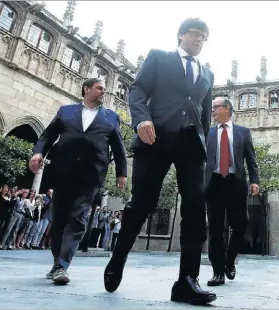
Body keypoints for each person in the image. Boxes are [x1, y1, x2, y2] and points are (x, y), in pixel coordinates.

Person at [103, 17, 217, 305]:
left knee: (194, 207)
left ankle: (187, 282)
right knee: (142, 203)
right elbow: (138, 90)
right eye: (194, 34)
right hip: (155, 138)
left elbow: (204, 114)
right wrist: (141, 120)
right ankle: (118, 259)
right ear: (181, 35)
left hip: (190, 145)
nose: (198, 40)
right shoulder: (159, 58)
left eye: (203, 37)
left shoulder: (207, 74)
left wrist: (205, 148)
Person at [29, 77, 127, 285]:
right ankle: (57, 262)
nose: (104, 92)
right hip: (63, 171)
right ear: (86, 89)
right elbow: (48, 135)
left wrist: (122, 172)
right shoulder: (66, 111)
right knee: (58, 219)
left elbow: (118, 147)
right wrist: (38, 153)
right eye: (100, 88)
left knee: (77, 217)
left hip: (91, 175)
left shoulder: (111, 117)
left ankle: (62, 265)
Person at [205, 98, 259, 286]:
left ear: (226, 109)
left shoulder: (243, 132)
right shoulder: (208, 133)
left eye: (215, 107)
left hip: (236, 185)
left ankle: (230, 260)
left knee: (241, 225)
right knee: (215, 230)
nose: (212, 110)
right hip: (214, 185)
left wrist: (254, 180)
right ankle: (218, 272)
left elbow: (251, 159)